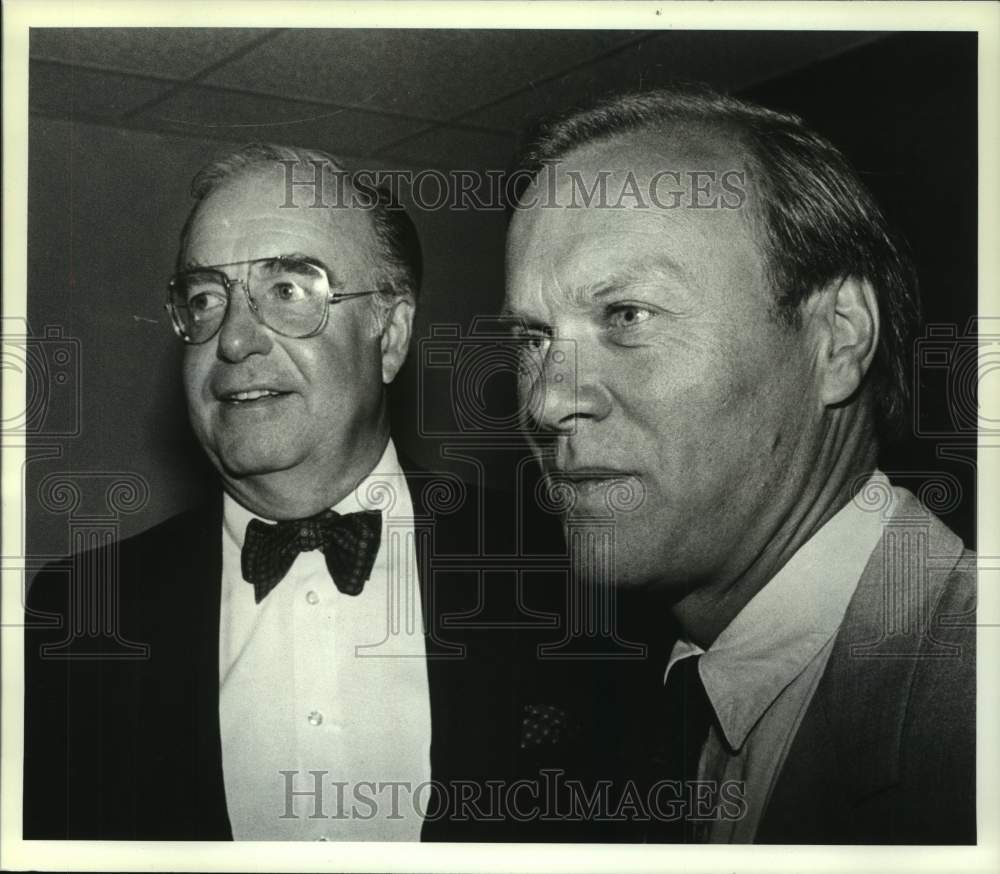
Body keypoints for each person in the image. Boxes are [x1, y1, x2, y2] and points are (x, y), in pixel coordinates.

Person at [503, 86, 976, 844]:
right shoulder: (669, 702)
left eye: (626, 316)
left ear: (839, 339)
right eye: (531, 337)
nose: (549, 400)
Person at [23, 143, 531, 841]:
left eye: (289, 291)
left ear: (391, 334)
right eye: (205, 298)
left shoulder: (562, 569)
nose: (232, 341)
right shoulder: (79, 613)